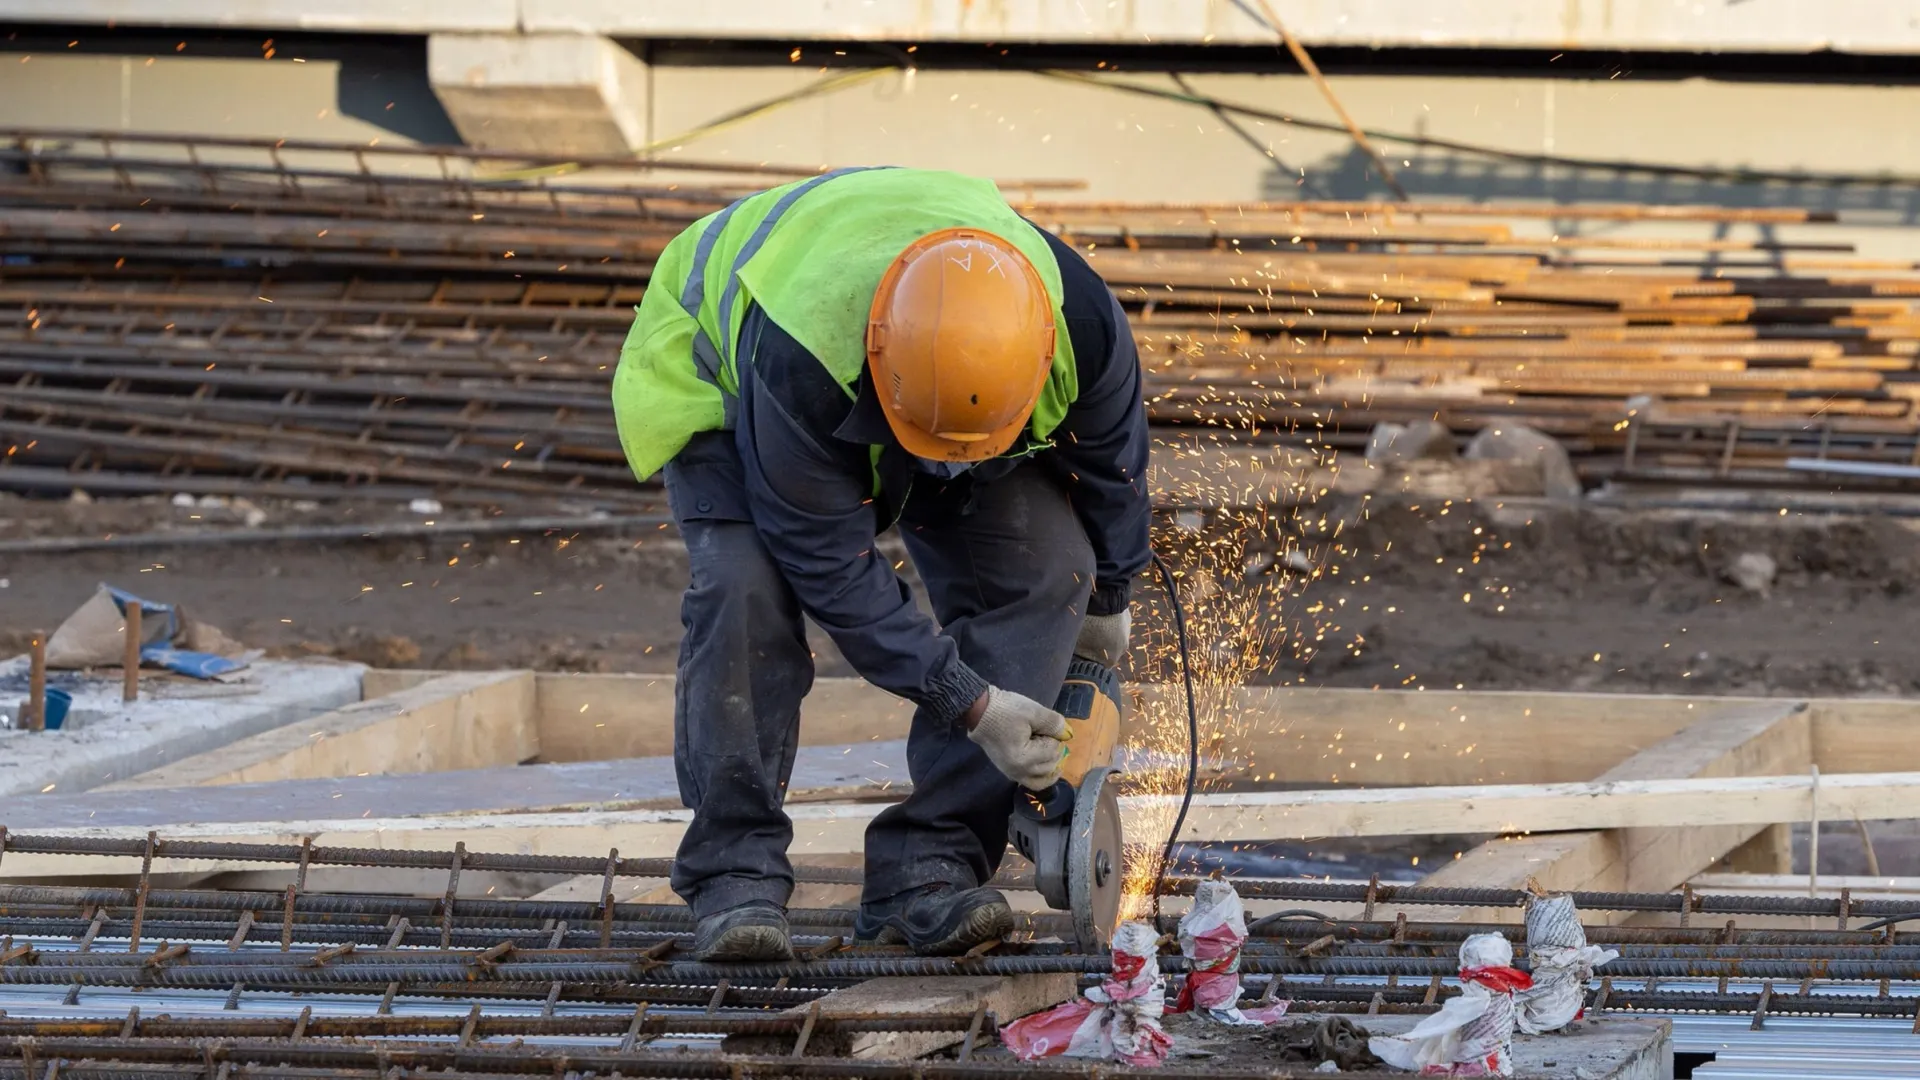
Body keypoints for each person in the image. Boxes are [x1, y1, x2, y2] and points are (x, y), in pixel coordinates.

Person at [612, 166, 1149, 961]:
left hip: (934, 390)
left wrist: (1106, 598)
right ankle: (735, 878)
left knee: (1050, 568)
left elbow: (1113, 471)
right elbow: (832, 571)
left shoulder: (1080, 323)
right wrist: (973, 705)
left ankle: (926, 870)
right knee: (744, 591)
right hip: (732, 379)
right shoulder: (803, 360)